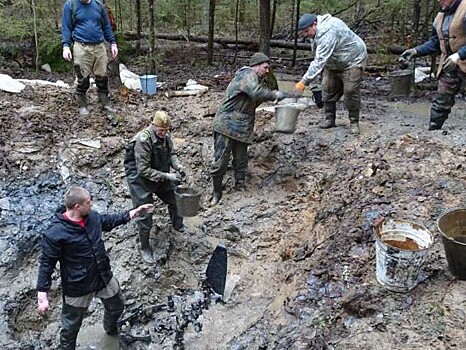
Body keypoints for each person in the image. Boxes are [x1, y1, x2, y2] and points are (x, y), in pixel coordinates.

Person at [36, 186, 154, 350]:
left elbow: (110, 220)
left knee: (117, 306)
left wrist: (135, 213)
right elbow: (46, 264)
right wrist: (42, 294)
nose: (91, 205)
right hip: (78, 285)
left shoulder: (92, 217)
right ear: (77, 206)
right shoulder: (56, 233)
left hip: (103, 276)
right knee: (71, 326)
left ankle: (111, 330)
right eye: (88, 203)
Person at [209, 52, 291, 207]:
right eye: (265, 67)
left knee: (241, 160)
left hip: (243, 127)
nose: (267, 70)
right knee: (221, 162)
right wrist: (276, 94)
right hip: (227, 125)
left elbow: (257, 97)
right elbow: (256, 92)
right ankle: (216, 193)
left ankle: (240, 188)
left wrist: (277, 99)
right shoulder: (247, 75)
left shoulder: (257, 80)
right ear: (256, 66)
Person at [124, 111, 187, 263]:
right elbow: (143, 170)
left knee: (176, 198)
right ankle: (145, 246)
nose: (163, 133)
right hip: (140, 180)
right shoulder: (143, 140)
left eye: (166, 130)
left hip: (159, 173)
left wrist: (178, 166)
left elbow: (171, 154)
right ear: (153, 125)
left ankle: (177, 224)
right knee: (145, 214)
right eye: (160, 130)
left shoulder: (166, 136)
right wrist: (168, 176)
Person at [294, 13, 367, 134]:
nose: (306, 35)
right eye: (303, 32)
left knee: (350, 91)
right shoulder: (316, 32)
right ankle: (330, 119)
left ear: (314, 24)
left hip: (353, 59)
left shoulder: (328, 31)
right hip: (333, 61)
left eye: (307, 31)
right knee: (327, 87)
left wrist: (303, 82)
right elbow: (318, 55)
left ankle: (354, 122)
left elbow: (319, 61)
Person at [400, 0, 465, 130]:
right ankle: (433, 131)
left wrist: (458, 55)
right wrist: (416, 51)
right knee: (441, 99)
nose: (438, 0)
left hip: (459, 59)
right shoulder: (440, 17)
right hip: (449, 64)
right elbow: (435, 43)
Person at [61, 0, 119, 116]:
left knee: (102, 77)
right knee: (82, 78)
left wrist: (112, 43)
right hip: (81, 46)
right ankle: (82, 106)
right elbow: (66, 27)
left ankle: (104, 103)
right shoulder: (71, 5)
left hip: (99, 46)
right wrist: (66, 46)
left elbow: (106, 26)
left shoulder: (98, 5)